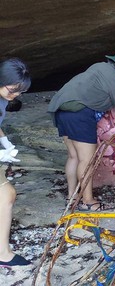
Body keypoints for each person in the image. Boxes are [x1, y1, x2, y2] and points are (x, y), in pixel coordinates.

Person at [47, 50, 115, 211]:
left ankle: (72, 197)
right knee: (87, 161)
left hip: (60, 110)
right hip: (79, 114)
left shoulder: (98, 67)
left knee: (73, 156)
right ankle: (88, 202)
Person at [0, 58, 31, 267]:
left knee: (6, 194)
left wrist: (4, 141)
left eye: (20, 91)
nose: (16, 95)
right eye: (13, 90)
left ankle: (2, 251)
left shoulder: (2, 98)